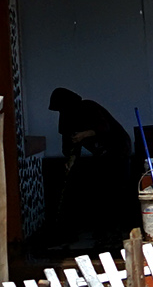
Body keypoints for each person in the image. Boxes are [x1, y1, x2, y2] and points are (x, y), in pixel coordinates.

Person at [45, 88, 138, 249]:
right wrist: (70, 160)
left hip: (118, 151)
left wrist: (83, 135)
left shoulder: (88, 107)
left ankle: (113, 232)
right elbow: (69, 142)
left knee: (114, 191)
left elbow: (104, 127)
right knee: (100, 191)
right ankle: (101, 231)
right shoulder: (67, 117)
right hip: (101, 154)